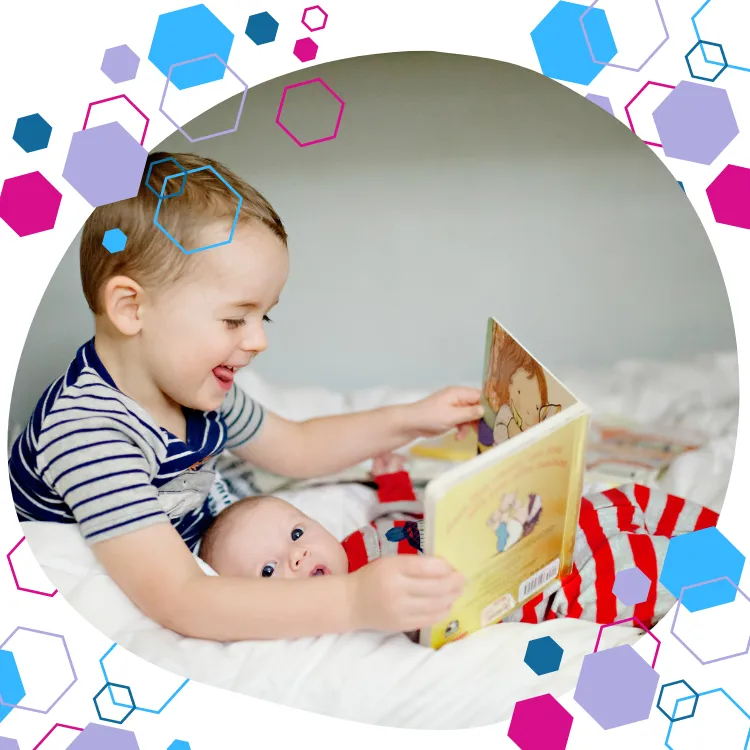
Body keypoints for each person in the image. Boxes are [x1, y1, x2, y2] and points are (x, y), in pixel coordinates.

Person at [8, 152, 480, 642]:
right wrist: (352, 600)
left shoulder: (194, 388)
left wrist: (412, 419)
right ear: (131, 308)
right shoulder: (89, 435)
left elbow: (298, 447)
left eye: (264, 318)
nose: (258, 340)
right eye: (236, 319)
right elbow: (181, 599)